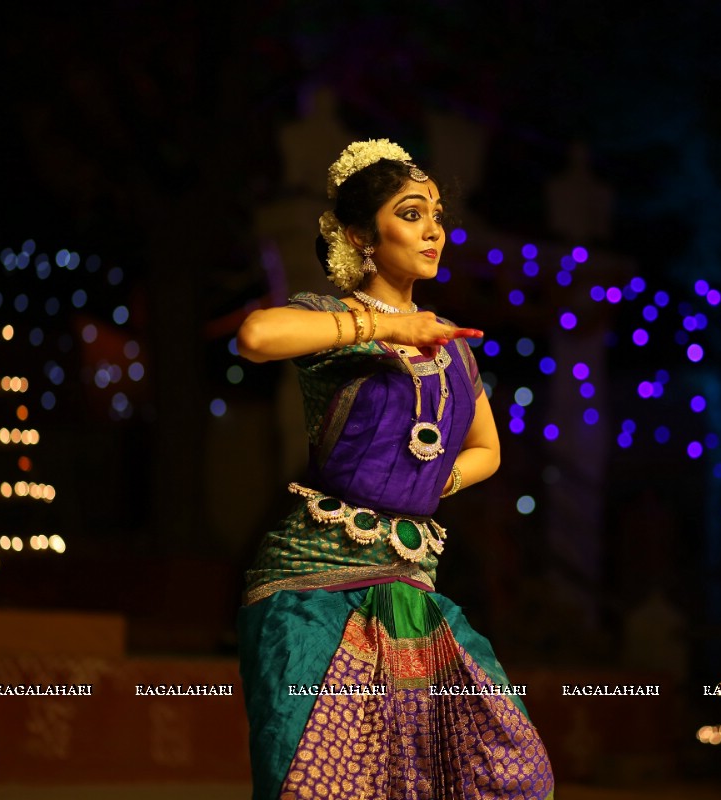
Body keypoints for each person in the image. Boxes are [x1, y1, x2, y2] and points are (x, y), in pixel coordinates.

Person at [235, 139, 554, 799]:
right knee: (320, 783)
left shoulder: (453, 346)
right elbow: (257, 338)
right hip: (312, 586)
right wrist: (383, 331)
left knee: (511, 776)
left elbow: (487, 450)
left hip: (411, 587)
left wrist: (430, 482)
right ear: (361, 235)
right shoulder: (331, 318)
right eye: (412, 213)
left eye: (437, 213)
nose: (434, 228)